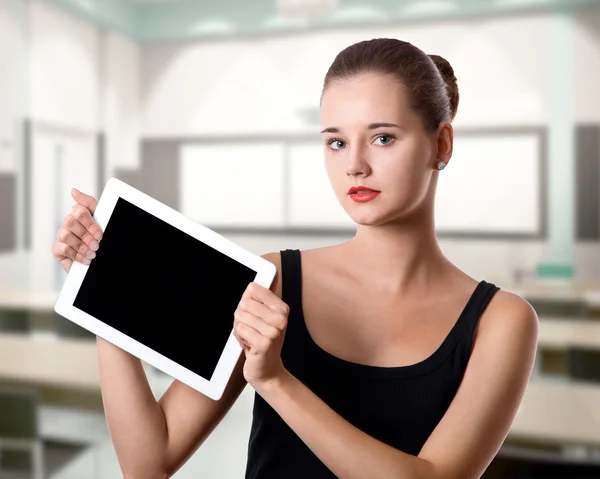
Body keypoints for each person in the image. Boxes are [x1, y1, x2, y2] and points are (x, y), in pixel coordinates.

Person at [52, 37, 538, 479]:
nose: (355, 165)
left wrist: (276, 382)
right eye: (336, 142)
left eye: (383, 137)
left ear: (442, 144)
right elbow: (148, 462)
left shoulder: (500, 322)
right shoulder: (272, 279)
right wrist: (99, 286)